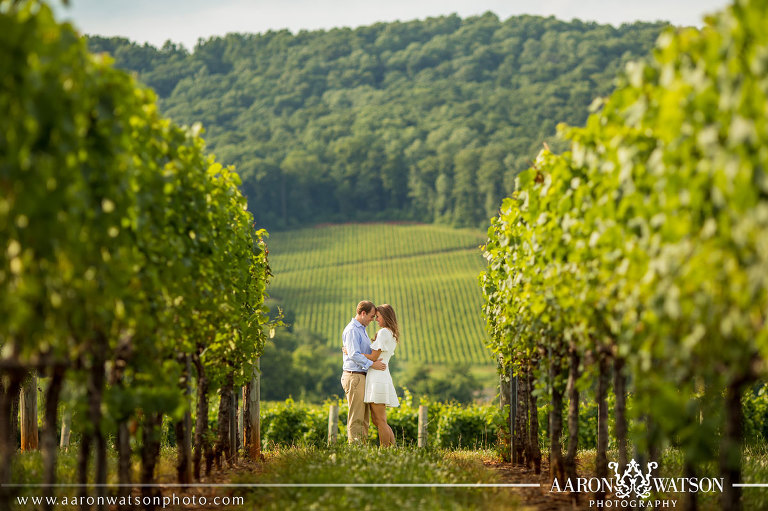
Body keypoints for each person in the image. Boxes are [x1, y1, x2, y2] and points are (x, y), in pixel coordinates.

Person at [341, 300, 386, 443]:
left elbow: (357, 352)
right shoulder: (353, 330)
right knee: (357, 417)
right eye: (372, 316)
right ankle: (355, 451)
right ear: (363, 313)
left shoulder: (361, 329)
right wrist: (372, 364)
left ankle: (362, 450)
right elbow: (354, 354)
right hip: (355, 377)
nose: (373, 320)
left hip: (361, 377)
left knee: (364, 418)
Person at [361, 304, 400, 447]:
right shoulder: (391, 333)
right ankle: (392, 449)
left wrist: (352, 353)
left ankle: (386, 450)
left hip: (377, 377)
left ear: (386, 316)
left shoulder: (384, 332)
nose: (376, 320)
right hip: (381, 375)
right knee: (378, 420)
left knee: (380, 420)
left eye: (378, 317)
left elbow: (373, 357)